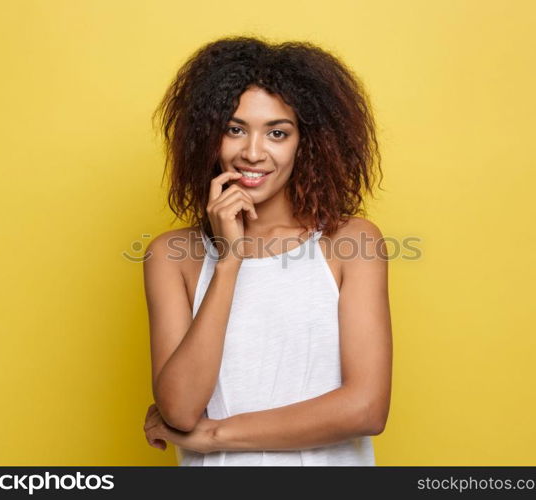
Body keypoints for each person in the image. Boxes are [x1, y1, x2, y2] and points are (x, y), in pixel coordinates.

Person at [142, 35, 393, 466]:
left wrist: (216, 434)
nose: (253, 154)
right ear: (207, 137)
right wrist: (229, 261)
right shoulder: (172, 256)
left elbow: (366, 408)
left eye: (277, 133)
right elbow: (180, 409)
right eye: (234, 129)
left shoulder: (352, 242)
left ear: (306, 143)